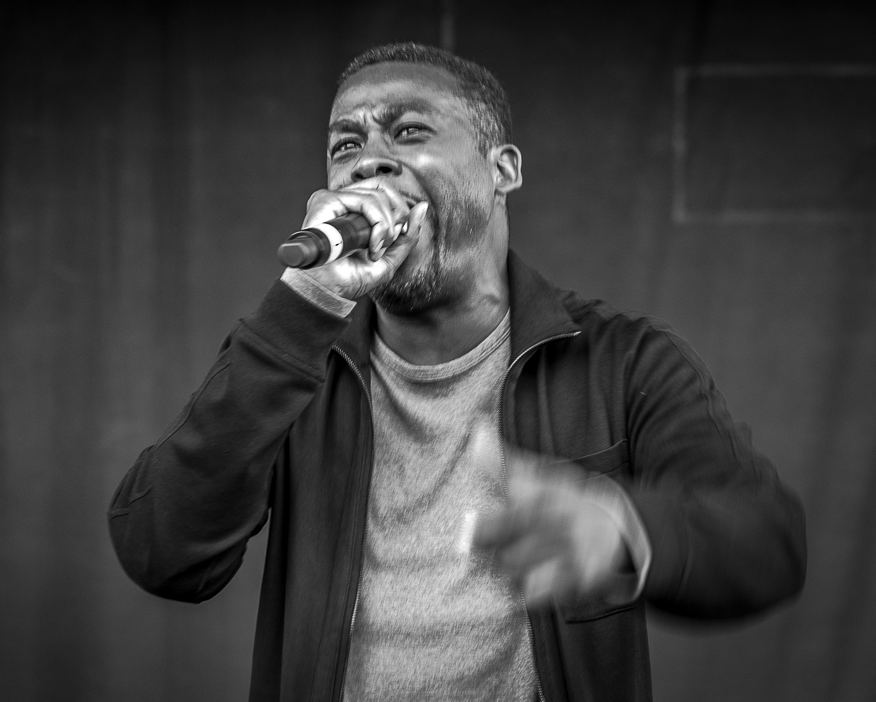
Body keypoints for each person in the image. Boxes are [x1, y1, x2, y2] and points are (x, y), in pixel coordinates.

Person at [108, 42, 806, 702]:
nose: (369, 163)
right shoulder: (290, 355)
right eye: (346, 144)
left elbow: (765, 539)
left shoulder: (623, 360)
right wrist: (305, 304)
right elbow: (162, 551)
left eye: (408, 132)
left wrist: (625, 532)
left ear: (503, 169)